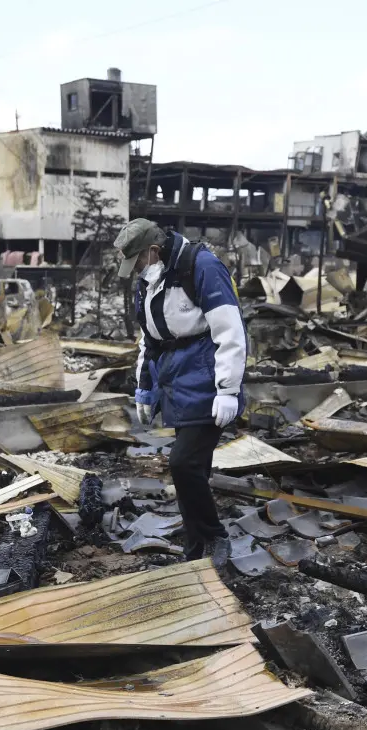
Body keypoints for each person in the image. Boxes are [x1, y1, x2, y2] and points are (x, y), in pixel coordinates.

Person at [114, 218, 247, 569]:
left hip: (208, 377)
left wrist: (228, 391)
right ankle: (196, 548)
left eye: (138, 261)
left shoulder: (201, 267)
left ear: (153, 251)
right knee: (194, 470)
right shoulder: (151, 279)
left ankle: (214, 535)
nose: (137, 270)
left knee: (183, 463)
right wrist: (144, 388)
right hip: (176, 380)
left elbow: (231, 331)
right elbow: (150, 337)